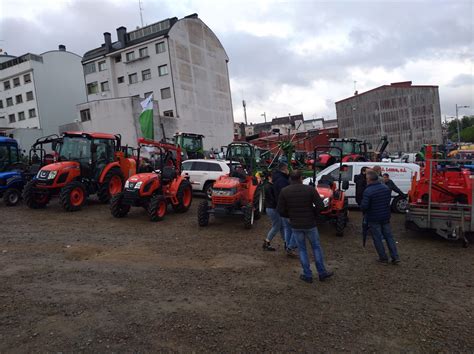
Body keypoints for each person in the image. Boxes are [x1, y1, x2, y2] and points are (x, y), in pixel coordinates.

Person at [277, 170, 334, 283]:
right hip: (310, 223)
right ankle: (322, 273)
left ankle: (307, 274)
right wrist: (313, 214)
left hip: (296, 224)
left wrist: (290, 215)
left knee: (302, 249)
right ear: (301, 178)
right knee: (316, 247)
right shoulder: (310, 189)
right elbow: (320, 206)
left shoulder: (285, 191)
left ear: (290, 179)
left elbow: (280, 210)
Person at [360, 170, 400, 264]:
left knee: (377, 238)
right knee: (389, 237)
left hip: (374, 218)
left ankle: (383, 258)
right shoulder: (385, 188)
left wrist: (363, 209)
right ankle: (395, 256)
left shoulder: (368, 191)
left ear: (369, 179)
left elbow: (364, 206)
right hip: (385, 216)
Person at [272, 162, 297, 257]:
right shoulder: (282, 181)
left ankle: (287, 245)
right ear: (284, 169)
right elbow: (287, 195)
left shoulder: (277, 178)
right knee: (295, 229)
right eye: (287, 169)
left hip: (281, 207)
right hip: (287, 207)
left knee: (287, 228)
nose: (288, 171)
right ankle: (290, 247)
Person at [262, 172, 281, 251]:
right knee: (277, 226)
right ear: (269, 177)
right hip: (272, 208)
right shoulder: (270, 186)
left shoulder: (267, 186)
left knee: (278, 225)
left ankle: (287, 243)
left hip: (270, 208)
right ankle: (267, 241)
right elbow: (273, 199)